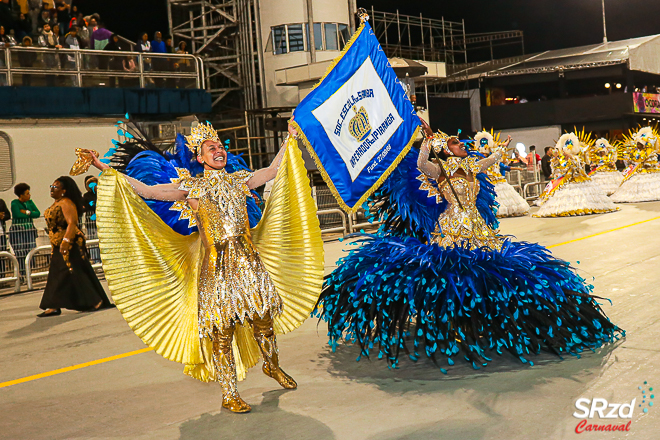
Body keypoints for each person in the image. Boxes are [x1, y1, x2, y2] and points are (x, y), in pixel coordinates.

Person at [315, 120, 623, 372]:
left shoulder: (472, 167)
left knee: (486, 266)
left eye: (462, 144)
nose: (462, 145)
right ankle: (457, 317)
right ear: (446, 151)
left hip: (476, 224)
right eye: (456, 144)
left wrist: (502, 150)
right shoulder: (441, 170)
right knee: (455, 270)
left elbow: (489, 160)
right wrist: (424, 143)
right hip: (451, 224)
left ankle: (486, 315)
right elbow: (422, 164)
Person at [78, 119, 323, 413]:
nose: (218, 151)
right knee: (223, 332)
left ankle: (272, 366)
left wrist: (290, 138)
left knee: (264, 322)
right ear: (199, 157)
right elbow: (146, 191)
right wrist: (104, 168)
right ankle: (229, 393)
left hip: (249, 264)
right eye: (211, 148)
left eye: (220, 146)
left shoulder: (239, 180)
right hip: (217, 270)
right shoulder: (191, 188)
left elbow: (272, 171)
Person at [38, 177, 113, 317]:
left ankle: (95, 301)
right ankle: (54, 305)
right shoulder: (57, 203)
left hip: (70, 241)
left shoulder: (66, 203)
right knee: (59, 271)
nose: (52, 189)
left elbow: (72, 223)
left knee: (73, 270)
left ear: (64, 191)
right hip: (57, 243)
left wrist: (66, 240)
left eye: (55, 187)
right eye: (51, 186)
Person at [534, 132, 618, 217]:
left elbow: (577, 166)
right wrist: (555, 159)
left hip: (576, 179)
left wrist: (570, 158)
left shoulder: (575, 158)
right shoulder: (561, 159)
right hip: (564, 180)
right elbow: (555, 168)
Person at [474, 130, 529, 217]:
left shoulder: (495, 161)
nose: (483, 153)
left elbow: (503, 159)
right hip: (488, 182)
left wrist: (507, 143)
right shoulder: (480, 163)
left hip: (499, 180)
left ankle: (505, 211)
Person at [610, 126, 660, 203]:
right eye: (637, 144)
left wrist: (645, 163)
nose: (637, 146)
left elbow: (652, 162)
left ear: (643, 145)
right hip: (637, 170)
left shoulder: (649, 152)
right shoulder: (637, 152)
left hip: (647, 171)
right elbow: (634, 160)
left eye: (639, 144)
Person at [8, 183, 40, 278]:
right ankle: (22, 273)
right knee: (21, 252)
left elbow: (37, 213)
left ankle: (29, 271)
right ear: (21, 195)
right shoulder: (14, 203)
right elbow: (17, 214)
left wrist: (27, 212)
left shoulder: (30, 202)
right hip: (18, 231)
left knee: (31, 249)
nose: (29, 195)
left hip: (29, 230)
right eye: (27, 193)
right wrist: (30, 213)